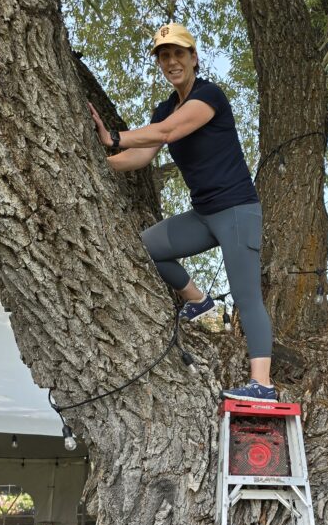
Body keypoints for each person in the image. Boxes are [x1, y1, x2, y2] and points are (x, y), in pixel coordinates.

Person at [88, 23, 276, 402]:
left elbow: (166, 134)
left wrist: (113, 137)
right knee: (146, 247)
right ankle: (197, 301)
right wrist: (95, 161)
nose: (171, 61)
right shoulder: (164, 109)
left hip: (237, 211)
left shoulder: (209, 96)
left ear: (194, 58)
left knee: (246, 297)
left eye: (178, 53)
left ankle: (263, 385)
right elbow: (141, 156)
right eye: (164, 56)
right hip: (204, 215)